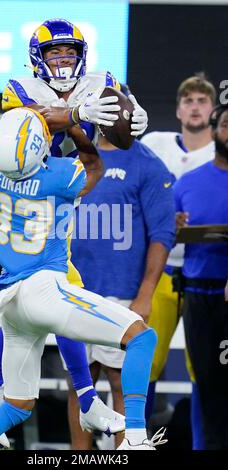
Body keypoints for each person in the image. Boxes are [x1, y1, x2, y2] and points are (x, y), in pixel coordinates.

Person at [0, 18, 149, 443]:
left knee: (23, 320)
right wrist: (80, 117)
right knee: (65, 288)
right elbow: (31, 125)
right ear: (36, 59)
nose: (63, 59)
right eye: (53, 53)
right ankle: (88, 402)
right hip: (49, 185)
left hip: (29, 207)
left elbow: (124, 117)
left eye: (69, 52)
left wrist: (134, 117)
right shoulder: (22, 91)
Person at [66, 130, 175, 449]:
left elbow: (163, 233)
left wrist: (145, 293)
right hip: (75, 290)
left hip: (122, 291)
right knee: (79, 382)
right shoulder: (75, 159)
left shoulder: (148, 163)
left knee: (121, 381)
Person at [141, 75, 216, 449]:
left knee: (205, 369)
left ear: (213, 110)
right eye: (189, 99)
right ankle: (134, 444)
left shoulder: (220, 155)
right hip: (162, 270)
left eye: (203, 100)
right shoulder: (154, 145)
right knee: (144, 366)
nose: (196, 106)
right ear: (177, 108)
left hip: (208, 271)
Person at [174, 103, 228, 449]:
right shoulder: (187, 182)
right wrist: (174, 225)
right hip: (197, 294)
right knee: (206, 383)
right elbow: (168, 236)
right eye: (226, 124)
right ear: (214, 129)